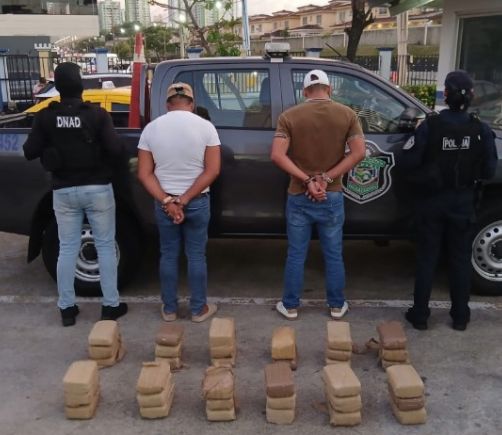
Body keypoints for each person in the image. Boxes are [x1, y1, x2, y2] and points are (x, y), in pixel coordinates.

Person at [23, 62, 128, 327]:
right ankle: (110, 306)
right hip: (97, 189)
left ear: (57, 87)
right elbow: (116, 150)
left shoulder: (45, 117)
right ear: (81, 85)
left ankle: (67, 309)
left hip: (64, 190)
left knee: (67, 248)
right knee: (105, 246)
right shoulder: (97, 115)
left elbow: (29, 151)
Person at [401, 70, 497, 331]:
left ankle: (420, 316)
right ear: (472, 95)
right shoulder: (480, 129)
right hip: (463, 202)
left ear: (445, 94)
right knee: (460, 260)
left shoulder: (429, 126)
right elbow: (489, 170)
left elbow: (408, 162)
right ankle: (460, 317)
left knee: (427, 259)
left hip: (431, 202)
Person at [270, 69, 366, 320]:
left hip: (298, 194)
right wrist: (326, 178)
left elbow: (277, 155)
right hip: (331, 195)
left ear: (305, 92)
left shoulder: (289, 116)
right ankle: (336, 305)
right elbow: (358, 152)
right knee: (333, 253)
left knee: (296, 253)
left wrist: (307, 180)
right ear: (329, 89)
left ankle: (290, 306)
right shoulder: (347, 114)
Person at [137, 82, 221, 323]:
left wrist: (168, 201)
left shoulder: (151, 129)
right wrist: (184, 199)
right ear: (191, 104)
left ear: (167, 105)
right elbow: (212, 170)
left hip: (165, 203)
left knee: (168, 255)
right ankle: (198, 310)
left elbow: (144, 174)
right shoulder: (206, 127)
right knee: (196, 255)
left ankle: (169, 309)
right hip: (196, 201)